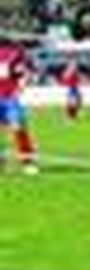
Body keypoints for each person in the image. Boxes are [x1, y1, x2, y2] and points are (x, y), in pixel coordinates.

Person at [0, 38, 38, 174]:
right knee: (18, 128)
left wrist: (22, 84)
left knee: (18, 128)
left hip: (9, 97)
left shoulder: (16, 52)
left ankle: (28, 162)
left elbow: (26, 71)